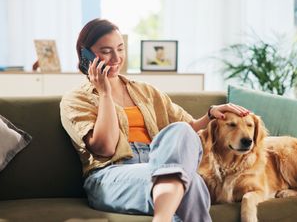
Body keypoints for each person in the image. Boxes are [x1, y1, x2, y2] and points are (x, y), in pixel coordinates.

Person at [60, 18, 249, 222]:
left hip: (158, 163)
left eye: (120, 49)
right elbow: (105, 149)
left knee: (181, 132)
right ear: (85, 54)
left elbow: (190, 127)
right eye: (106, 51)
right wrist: (105, 93)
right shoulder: (75, 99)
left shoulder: (145, 91)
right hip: (111, 175)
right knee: (191, 182)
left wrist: (211, 114)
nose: (116, 58)